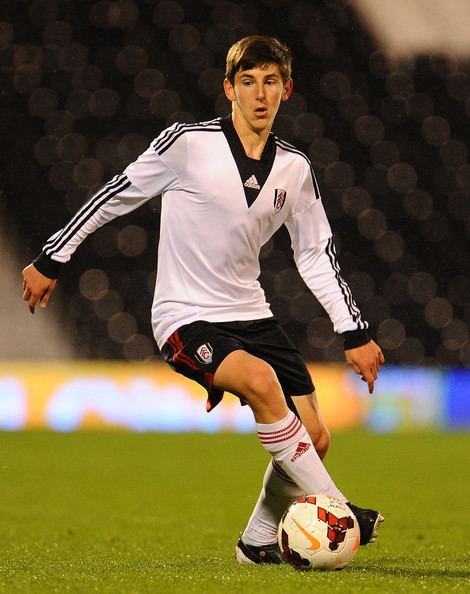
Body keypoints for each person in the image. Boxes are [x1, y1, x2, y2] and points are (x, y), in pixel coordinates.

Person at [22, 35, 384, 564]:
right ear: (228, 89)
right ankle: (340, 511)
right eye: (246, 81)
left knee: (314, 436)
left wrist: (354, 331)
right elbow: (116, 193)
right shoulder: (188, 144)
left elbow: (315, 255)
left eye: (269, 82)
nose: (259, 94)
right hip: (185, 316)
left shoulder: (295, 169)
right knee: (263, 384)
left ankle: (257, 541)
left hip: (251, 313)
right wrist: (54, 256)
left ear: (287, 89)